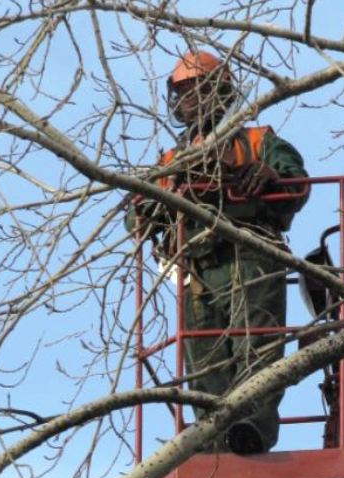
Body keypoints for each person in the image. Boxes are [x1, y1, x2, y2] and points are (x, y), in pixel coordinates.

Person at [127, 50, 309, 454]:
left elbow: (297, 184)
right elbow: (137, 220)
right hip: (198, 272)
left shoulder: (258, 141)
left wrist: (269, 176)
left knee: (256, 349)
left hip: (252, 256)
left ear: (219, 92)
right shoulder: (172, 161)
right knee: (204, 360)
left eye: (196, 90)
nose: (189, 100)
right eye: (183, 92)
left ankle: (250, 430)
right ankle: (212, 439)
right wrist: (154, 201)